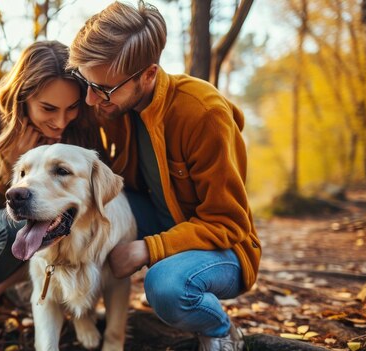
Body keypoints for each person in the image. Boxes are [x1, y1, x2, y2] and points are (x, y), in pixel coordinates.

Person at [67, 2, 262, 351]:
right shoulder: (112, 103)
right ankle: (65, 305)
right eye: (86, 82)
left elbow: (228, 222)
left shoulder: (202, 113)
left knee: (167, 287)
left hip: (222, 247)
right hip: (155, 218)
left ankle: (221, 330)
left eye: (104, 89)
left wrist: (148, 249)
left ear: (148, 74)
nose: (91, 99)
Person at [0, 40, 102, 351]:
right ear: (21, 98)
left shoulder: (78, 128)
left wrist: (8, 282)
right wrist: (11, 164)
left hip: (48, 245)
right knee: (18, 218)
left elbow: (89, 208)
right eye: (48, 109)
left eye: (72, 107)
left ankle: (39, 299)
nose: (60, 122)